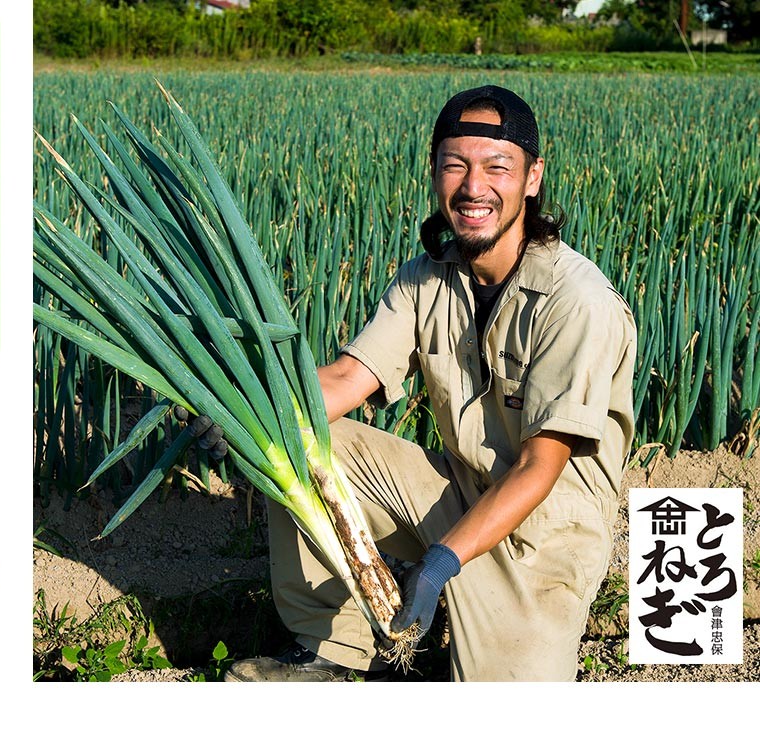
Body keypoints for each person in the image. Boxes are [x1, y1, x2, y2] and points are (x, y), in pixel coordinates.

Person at [224, 84, 637, 682]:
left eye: (497, 167)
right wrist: (246, 408)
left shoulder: (578, 301)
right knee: (304, 440)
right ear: (435, 173)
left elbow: (537, 469)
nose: (474, 187)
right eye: (456, 165)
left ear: (532, 178)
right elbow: (346, 377)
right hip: (456, 493)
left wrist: (441, 564)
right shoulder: (428, 276)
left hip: (542, 538)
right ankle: (330, 653)